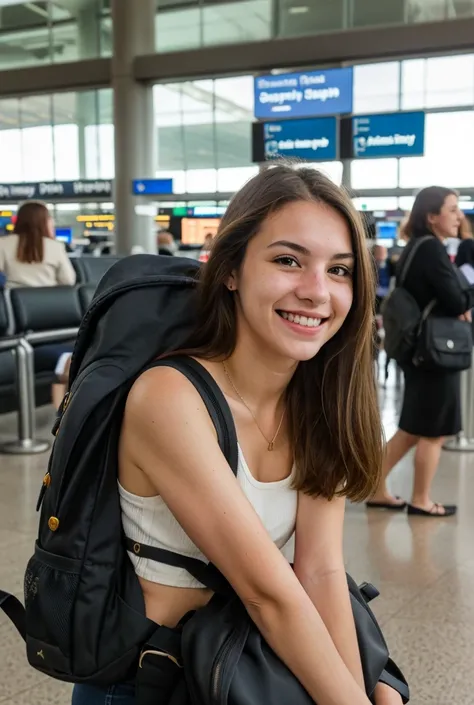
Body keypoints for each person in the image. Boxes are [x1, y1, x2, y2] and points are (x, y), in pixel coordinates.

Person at [72, 165, 402, 705]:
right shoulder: (169, 397)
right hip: (157, 682)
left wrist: (360, 691)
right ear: (231, 270)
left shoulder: (318, 398)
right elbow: (266, 593)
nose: (317, 291)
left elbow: (318, 569)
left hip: (255, 661)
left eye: (339, 270)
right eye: (288, 260)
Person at [369, 186, 474, 517]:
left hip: (417, 350)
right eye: (453, 209)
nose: (459, 216)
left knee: (414, 427)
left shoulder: (417, 247)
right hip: (432, 354)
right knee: (434, 431)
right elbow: (456, 299)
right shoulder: (431, 250)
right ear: (432, 216)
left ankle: (375, 488)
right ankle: (421, 499)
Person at [0, 201, 76, 288]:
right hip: (49, 297)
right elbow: (68, 280)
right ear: (45, 221)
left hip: (12, 298)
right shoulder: (56, 246)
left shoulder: (3, 243)